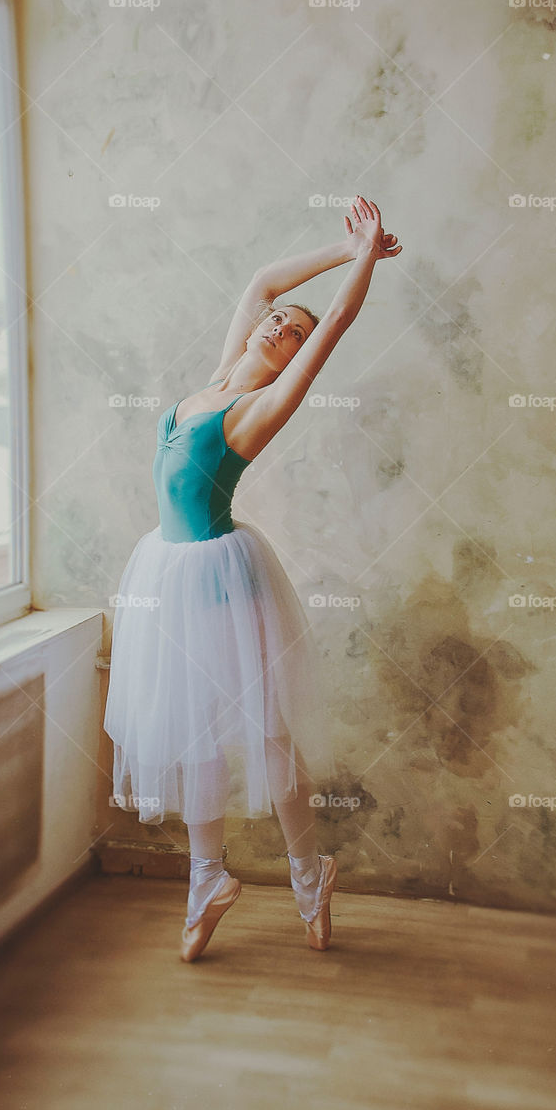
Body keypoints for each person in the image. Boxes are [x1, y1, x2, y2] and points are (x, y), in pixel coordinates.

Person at [103, 195, 400, 961]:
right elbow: (263, 281)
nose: (280, 328)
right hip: (168, 576)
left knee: (268, 740)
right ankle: (207, 880)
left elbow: (332, 325)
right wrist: (343, 246)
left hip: (224, 584)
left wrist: (364, 262)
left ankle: (309, 872)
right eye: (278, 322)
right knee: (194, 739)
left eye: (290, 334)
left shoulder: (254, 409)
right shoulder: (210, 381)